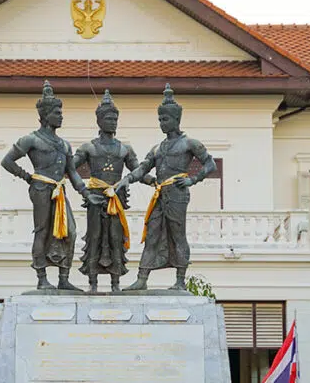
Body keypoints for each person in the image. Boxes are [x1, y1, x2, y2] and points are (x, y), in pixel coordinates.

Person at [121, 84, 216, 291]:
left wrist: (193, 179)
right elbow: (143, 168)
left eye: (165, 119)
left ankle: (180, 280)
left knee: (177, 234)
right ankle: (142, 278)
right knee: (152, 232)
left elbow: (210, 164)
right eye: (160, 120)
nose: (162, 123)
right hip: (160, 194)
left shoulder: (189, 143)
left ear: (176, 120)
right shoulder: (158, 148)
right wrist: (126, 179)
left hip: (178, 194)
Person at [1, 80, 89, 291]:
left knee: (70, 232)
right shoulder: (31, 139)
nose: (61, 116)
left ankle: (63, 276)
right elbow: (7, 161)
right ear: (45, 115)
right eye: (57, 112)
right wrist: (27, 177)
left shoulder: (64, 144)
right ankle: (41, 277)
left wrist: (85, 192)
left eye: (61, 112)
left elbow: (73, 172)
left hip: (59, 190)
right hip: (41, 188)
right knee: (42, 231)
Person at [73, 90, 151, 293]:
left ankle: (116, 283)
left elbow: (137, 170)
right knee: (94, 237)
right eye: (109, 118)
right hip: (95, 198)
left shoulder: (124, 149)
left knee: (116, 238)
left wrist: (153, 181)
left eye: (115, 118)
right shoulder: (88, 148)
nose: (113, 122)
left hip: (116, 199)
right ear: (99, 121)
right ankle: (93, 283)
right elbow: (70, 168)